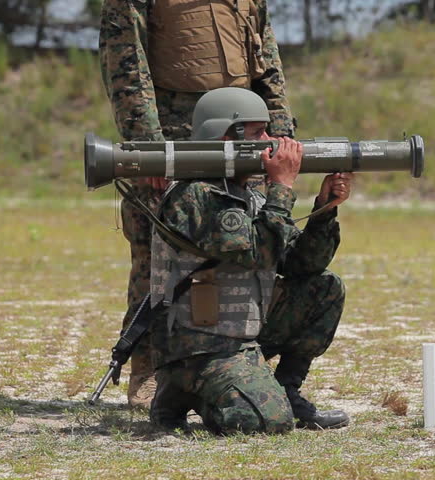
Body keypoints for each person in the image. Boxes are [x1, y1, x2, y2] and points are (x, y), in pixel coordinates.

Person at [98, 0, 295, 408]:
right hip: (175, 129)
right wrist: (150, 146)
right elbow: (125, 57)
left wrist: (279, 131)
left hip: (244, 128)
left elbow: (266, 57)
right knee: (157, 251)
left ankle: (243, 364)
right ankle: (152, 368)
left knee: (251, 244)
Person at [148, 87, 352, 433]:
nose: (271, 141)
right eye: (259, 133)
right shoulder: (194, 195)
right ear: (227, 138)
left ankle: (284, 390)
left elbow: (301, 266)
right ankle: (188, 389)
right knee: (266, 422)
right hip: (201, 345)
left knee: (324, 288)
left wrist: (323, 210)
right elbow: (255, 253)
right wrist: (282, 189)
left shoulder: (245, 195)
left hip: (238, 334)